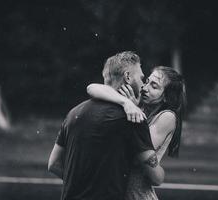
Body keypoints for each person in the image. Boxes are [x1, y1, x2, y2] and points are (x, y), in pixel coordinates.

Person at [48, 51, 165, 200]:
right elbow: (156, 178)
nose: (143, 85)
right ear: (128, 77)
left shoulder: (73, 113)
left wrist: (82, 185)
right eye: (141, 78)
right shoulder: (133, 118)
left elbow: (53, 164)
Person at [87, 66, 186, 200]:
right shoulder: (137, 106)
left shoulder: (167, 116)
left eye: (154, 86)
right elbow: (91, 88)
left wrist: (132, 107)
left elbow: (139, 149)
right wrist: (125, 102)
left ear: (166, 98)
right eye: (147, 82)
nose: (145, 88)